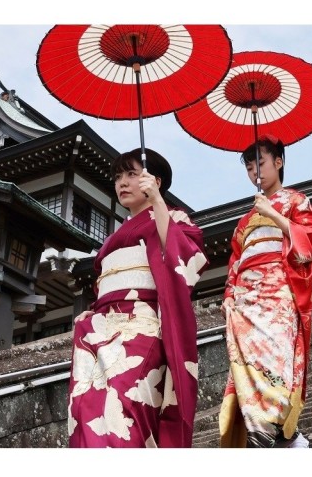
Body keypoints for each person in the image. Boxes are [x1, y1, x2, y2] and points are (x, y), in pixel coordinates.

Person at [67, 148, 209, 448]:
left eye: (132, 174)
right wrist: (93, 309)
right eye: (118, 176)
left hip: (141, 325)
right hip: (101, 329)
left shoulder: (173, 217)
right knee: (86, 406)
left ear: (154, 180)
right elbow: (110, 282)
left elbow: (187, 261)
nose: (122, 182)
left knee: (127, 403)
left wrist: (158, 201)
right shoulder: (113, 239)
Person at [218, 135, 312, 448]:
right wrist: (228, 295)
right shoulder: (245, 220)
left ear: (278, 162)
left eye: (260, 163)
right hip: (247, 298)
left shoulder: (295, 200)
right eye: (249, 167)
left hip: (279, 289)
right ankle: (266, 428)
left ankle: (271, 426)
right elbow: (235, 261)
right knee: (250, 360)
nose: (255, 172)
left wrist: (275, 214)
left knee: (276, 356)